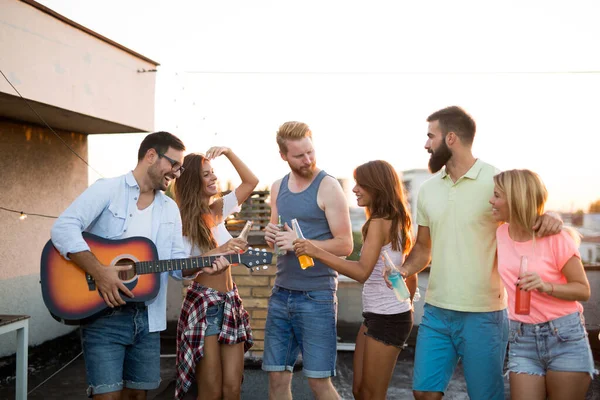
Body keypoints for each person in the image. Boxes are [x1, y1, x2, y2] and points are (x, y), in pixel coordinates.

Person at [398, 106, 563, 400]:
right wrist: (404, 270)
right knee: (424, 393)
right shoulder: (428, 190)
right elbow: (424, 248)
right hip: (437, 311)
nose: (425, 145)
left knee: (485, 396)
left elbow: (529, 218)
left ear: (450, 138)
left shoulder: (496, 182)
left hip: (484, 315)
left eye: (430, 136)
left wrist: (552, 217)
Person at [50, 131, 229, 400]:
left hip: (148, 318)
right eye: (174, 165)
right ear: (151, 156)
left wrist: (205, 264)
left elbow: (176, 266)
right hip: (104, 314)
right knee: (107, 397)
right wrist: (100, 272)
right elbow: (63, 229)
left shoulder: (169, 209)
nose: (177, 174)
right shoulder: (108, 189)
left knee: (137, 396)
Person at [293, 160, 417, 400]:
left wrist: (315, 251)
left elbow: (361, 272)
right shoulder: (392, 218)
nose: (354, 189)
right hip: (378, 315)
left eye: (361, 184)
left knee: (370, 395)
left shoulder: (380, 222)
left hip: (388, 318)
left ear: (377, 186)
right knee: (359, 391)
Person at [262, 121, 353, 400]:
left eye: (310, 152)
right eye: (299, 155)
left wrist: (302, 244)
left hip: (317, 296)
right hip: (281, 293)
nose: (308, 160)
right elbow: (280, 239)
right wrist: (271, 235)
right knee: (276, 380)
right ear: (283, 156)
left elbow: (345, 245)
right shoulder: (277, 187)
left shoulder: (328, 186)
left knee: (318, 383)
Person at [490, 169, 595, 400]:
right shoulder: (500, 233)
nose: (491, 200)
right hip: (521, 337)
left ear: (516, 199)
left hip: (564, 336)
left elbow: (583, 290)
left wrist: (546, 286)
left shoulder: (557, 239)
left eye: (497, 195)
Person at [173, 146, 259, 400]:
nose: (213, 178)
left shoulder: (218, 210)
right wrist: (218, 251)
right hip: (204, 304)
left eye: (213, 173)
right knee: (210, 391)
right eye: (206, 174)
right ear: (191, 181)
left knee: (232, 389)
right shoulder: (183, 221)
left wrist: (230, 153)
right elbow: (181, 268)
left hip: (230, 301)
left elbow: (251, 182)